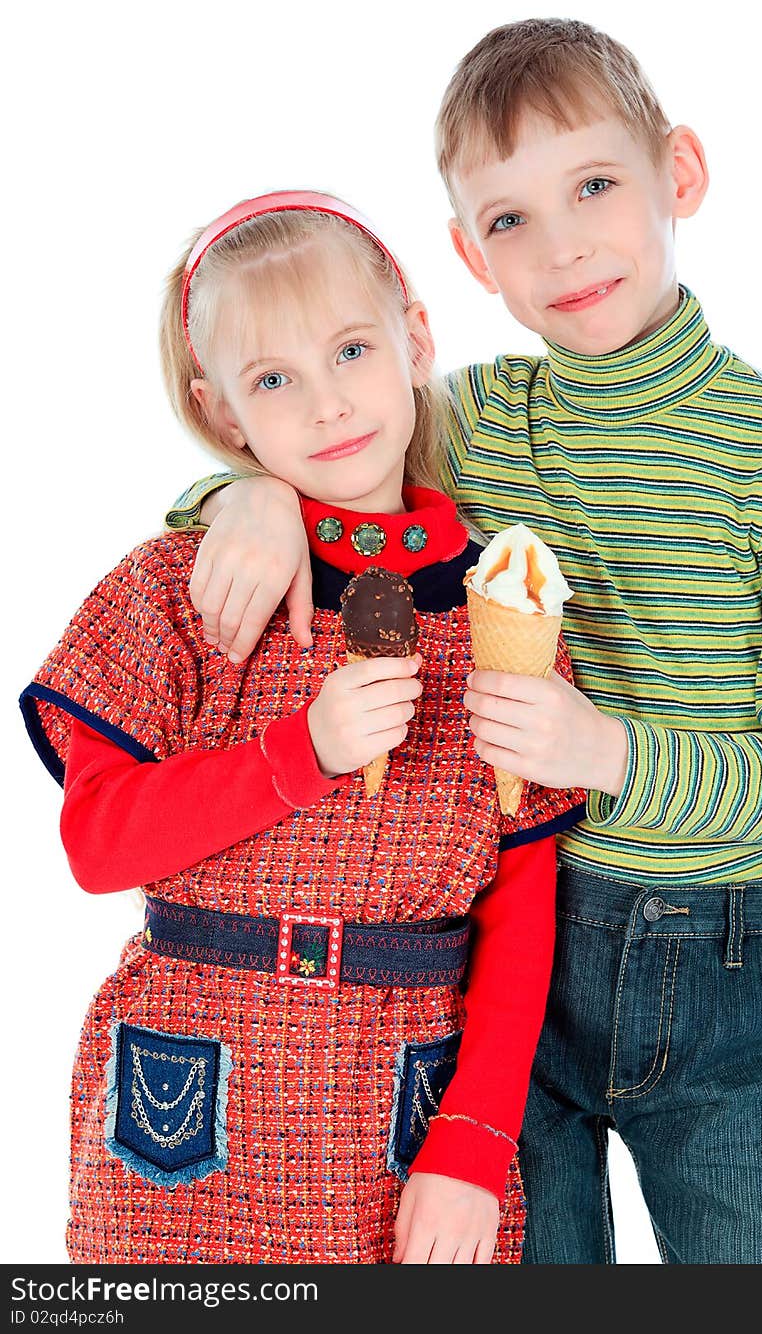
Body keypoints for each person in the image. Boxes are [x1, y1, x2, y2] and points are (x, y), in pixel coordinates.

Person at [158, 20, 762, 1265]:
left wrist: (609, 751)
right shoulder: (471, 420)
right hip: (502, 961)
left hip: (734, 967)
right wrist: (244, 498)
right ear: (465, 259)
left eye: (593, 185)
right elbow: (322, 440)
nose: (563, 245)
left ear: (679, 175)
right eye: (508, 220)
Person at [19, 190, 586, 1265]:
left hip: (404, 1105)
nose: (328, 405)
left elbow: (520, 912)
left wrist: (471, 1140)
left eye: (352, 351)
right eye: (274, 379)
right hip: (187, 1091)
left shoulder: (505, 613)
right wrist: (301, 754)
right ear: (223, 411)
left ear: (416, 338)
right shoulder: (175, 592)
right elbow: (97, 845)